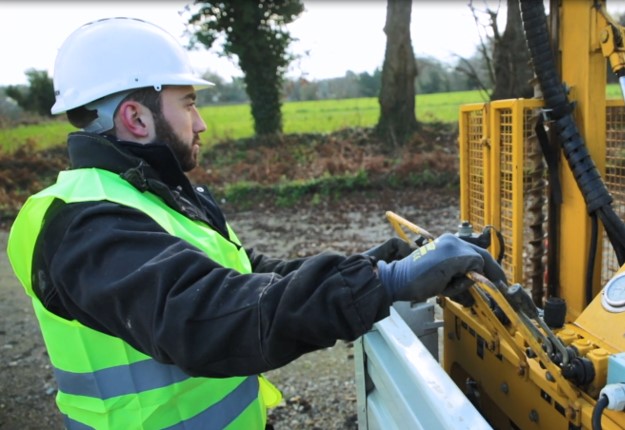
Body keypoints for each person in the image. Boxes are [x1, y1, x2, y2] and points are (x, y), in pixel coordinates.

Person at [6, 17, 506, 430]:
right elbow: (206, 316)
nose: (200, 123)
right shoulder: (81, 223)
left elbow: (248, 275)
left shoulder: (148, 194)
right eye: (189, 103)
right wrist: (386, 283)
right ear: (136, 119)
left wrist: (384, 263)